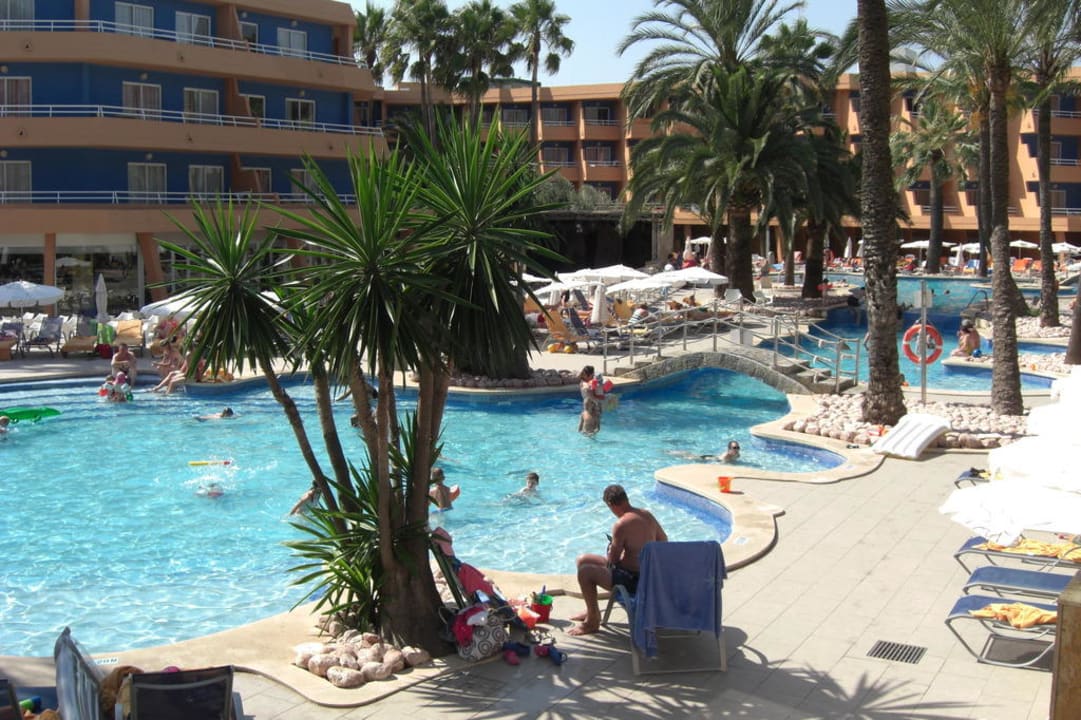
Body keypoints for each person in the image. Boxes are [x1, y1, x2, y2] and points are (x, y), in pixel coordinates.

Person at [568, 484, 667, 636]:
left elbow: (612, 560)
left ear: (611, 505)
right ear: (626, 499)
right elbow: (663, 542)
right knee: (582, 559)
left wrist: (611, 549)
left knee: (585, 572)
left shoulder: (621, 524)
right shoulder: (646, 515)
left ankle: (593, 622)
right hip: (647, 575)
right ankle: (590, 610)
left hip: (632, 580)